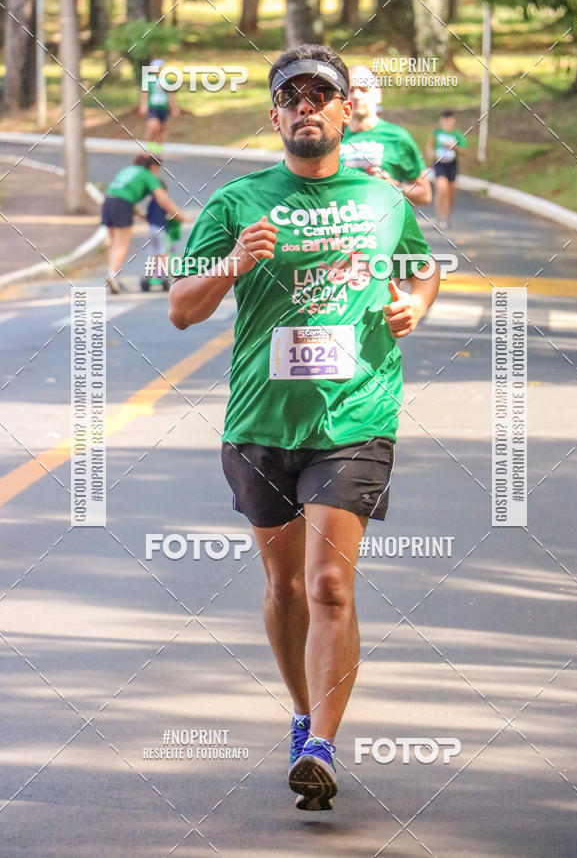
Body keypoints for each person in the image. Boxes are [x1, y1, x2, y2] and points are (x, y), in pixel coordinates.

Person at [168, 44, 440, 811]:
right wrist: (233, 267)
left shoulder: (384, 201)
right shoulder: (238, 203)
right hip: (259, 421)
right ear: (276, 114)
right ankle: (300, 712)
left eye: (325, 95)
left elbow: (423, 266)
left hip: (355, 416)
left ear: (347, 110)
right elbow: (181, 309)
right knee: (285, 587)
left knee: (328, 584)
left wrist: (414, 305)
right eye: (295, 97)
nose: (309, 107)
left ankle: (321, 744)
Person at [340, 65, 431, 206]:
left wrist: (394, 187)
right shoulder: (332, 137)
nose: (356, 96)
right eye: (351, 90)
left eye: (364, 89)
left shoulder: (398, 137)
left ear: (378, 95)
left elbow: (424, 194)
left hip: (385, 225)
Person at [101, 153, 187, 293]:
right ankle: (112, 275)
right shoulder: (147, 175)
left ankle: (113, 275)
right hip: (123, 204)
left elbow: (122, 193)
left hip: (108, 202)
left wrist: (143, 216)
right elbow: (163, 200)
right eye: (158, 169)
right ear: (153, 166)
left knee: (114, 242)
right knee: (122, 243)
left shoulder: (128, 170)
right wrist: (182, 217)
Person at [426, 109, 467, 229]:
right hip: (440, 163)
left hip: (452, 164)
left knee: (450, 192)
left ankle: (447, 217)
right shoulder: (437, 133)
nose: (447, 122)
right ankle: (439, 217)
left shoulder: (457, 134)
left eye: (449, 120)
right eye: (445, 120)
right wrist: (431, 154)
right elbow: (430, 145)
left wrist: (455, 147)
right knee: (441, 189)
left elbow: (464, 150)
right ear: (441, 120)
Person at [139, 58, 180, 147]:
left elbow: (171, 95)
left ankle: (157, 152)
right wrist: (143, 105)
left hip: (163, 107)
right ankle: (147, 150)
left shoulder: (166, 81)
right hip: (152, 106)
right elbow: (144, 94)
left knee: (161, 129)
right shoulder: (148, 80)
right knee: (153, 127)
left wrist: (174, 108)